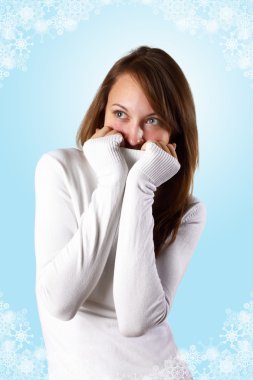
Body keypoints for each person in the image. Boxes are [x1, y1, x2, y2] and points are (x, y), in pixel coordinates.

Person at [34, 46, 206, 380]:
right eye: (120, 114)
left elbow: (134, 320)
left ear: (175, 135)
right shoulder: (59, 169)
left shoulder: (188, 211)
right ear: (102, 115)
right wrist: (113, 181)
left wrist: (140, 186)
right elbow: (59, 302)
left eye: (153, 120)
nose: (134, 137)